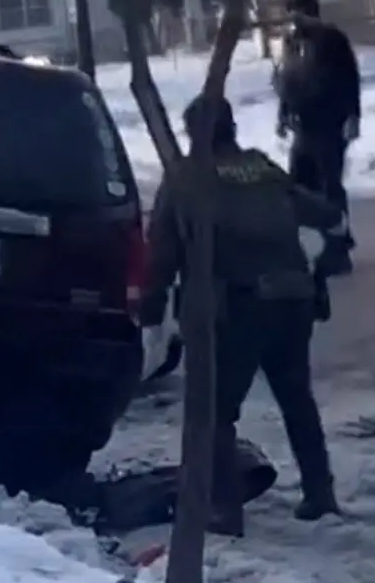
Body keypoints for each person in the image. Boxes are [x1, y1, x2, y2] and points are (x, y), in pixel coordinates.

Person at [140, 94, 345, 537]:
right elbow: (328, 215)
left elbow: (162, 250)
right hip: (293, 299)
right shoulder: (263, 168)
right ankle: (320, 492)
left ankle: (224, 510)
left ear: (194, 133)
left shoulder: (187, 179)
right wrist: (326, 263)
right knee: (296, 398)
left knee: (215, 411)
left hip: (238, 306)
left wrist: (152, 305)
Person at [273, 0, 360, 276]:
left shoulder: (332, 39)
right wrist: (283, 114)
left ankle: (338, 248)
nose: (293, 18)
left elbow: (350, 78)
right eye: (290, 13)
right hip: (302, 124)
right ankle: (312, 243)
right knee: (299, 186)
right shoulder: (290, 41)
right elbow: (286, 78)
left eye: (297, 12)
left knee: (329, 186)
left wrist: (353, 116)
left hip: (329, 123)